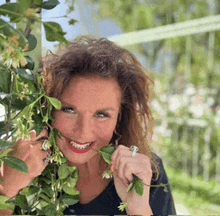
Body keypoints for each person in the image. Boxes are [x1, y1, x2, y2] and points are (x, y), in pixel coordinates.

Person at [0, 36, 176, 215]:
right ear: (47, 108)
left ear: (120, 117)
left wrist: (138, 209)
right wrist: (6, 189)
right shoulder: (11, 161)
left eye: (102, 115)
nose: (83, 132)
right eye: (69, 110)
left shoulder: (146, 175)